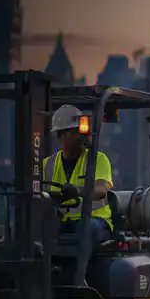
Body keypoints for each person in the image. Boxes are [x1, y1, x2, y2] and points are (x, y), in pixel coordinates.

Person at [44, 104, 115, 248]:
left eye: (84, 132)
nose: (84, 137)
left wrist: (78, 191)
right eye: (77, 132)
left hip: (96, 221)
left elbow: (101, 189)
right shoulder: (47, 164)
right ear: (62, 135)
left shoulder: (98, 159)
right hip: (63, 222)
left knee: (85, 231)